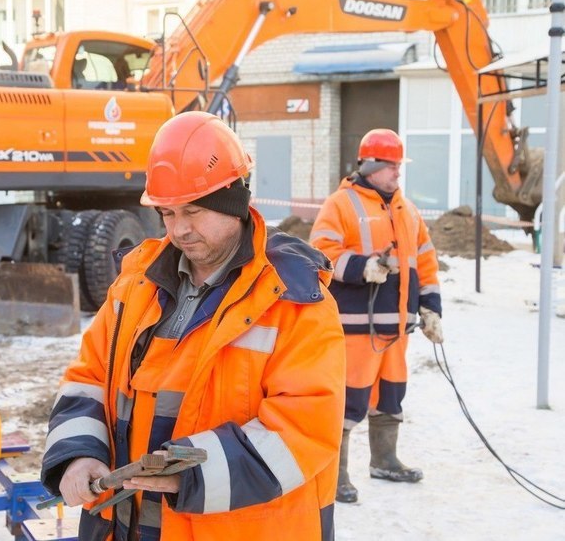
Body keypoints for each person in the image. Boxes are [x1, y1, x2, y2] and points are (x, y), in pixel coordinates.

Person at [41, 111, 346, 541]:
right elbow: (87, 380)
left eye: (193, 211)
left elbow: (305, 428)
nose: (179, 229)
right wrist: (78, 454)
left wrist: (190, 472)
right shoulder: (135, 285)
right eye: (166, 213)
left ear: (234, 205)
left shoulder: (295, 302)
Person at [309, 128, 443, 504]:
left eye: (399, 165)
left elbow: (426, 264)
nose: (398, 173)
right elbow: (321, 254)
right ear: (370, 166)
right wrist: (364, 267)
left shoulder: (408, 210)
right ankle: (333, 475)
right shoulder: (341, 204)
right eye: (392, 166)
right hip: (356, 331)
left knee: (391, 398)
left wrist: (431, 311)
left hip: (397, 330)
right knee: (347, 403)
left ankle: (385, 460)